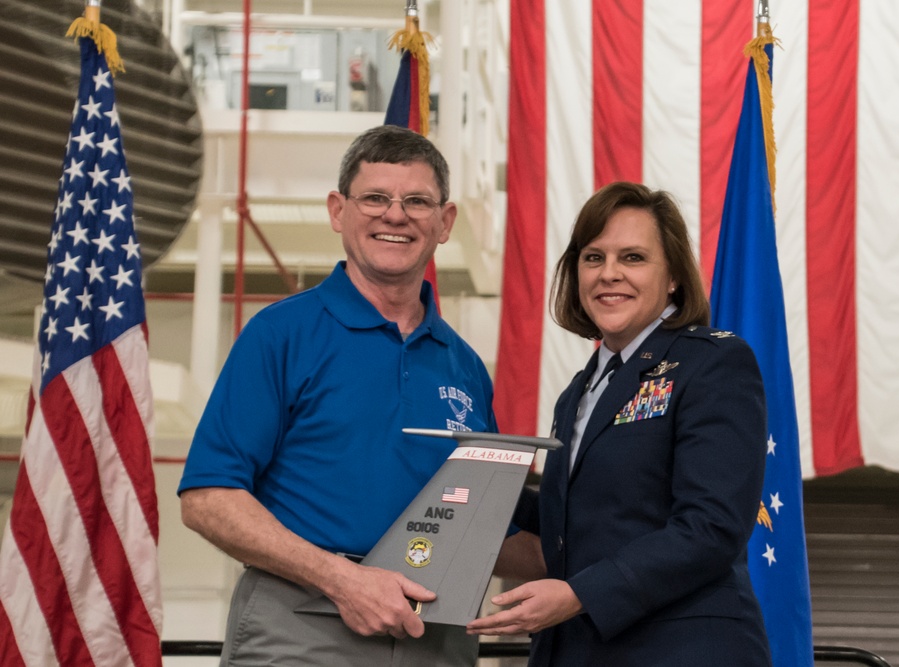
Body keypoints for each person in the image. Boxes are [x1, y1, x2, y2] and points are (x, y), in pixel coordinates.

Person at [178, 124, 497, 666]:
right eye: (375, 197)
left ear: (444, 223)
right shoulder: (280, 334)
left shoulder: (464, 365)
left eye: (417, 201)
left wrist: (605, 564)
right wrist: (343, 580)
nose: (395, 215)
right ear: (337, 211)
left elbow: (486, 524)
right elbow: (208, 499)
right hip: (304, 623)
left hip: (435, 634)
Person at [467, 181, 773, 666]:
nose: (609, 274)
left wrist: (578, 595)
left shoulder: (714, 363)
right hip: (580, 650)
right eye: (593, 258)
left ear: (672, 275)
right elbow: (581, 519)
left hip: (683, 650)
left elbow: (711, 526)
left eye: (632, 258)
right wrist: (473, 483)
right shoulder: (579, 392)